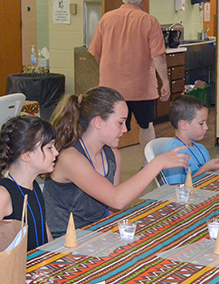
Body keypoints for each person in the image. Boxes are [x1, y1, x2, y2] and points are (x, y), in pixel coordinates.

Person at [44, 87, 189, 238]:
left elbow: (114, 209)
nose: (125, 129)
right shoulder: (69, 158)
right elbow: (117, 199)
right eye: (120, 123)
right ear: (98, 122)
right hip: (66, 243)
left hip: (98, 234)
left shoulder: (112, 155)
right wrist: (157, 163)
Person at [88, 0, 169, 162]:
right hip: (142, 88)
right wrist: (165, 81)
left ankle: (105, 165)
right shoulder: (149, 21)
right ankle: (148, 164)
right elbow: (158, 57)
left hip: (111, 89)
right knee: (146, 126)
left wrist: (108, 69)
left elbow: (96, 54)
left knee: (108, 127)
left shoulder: (106, 19)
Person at [0, 116, 58, 250]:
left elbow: (43, 231)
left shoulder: (34, 186)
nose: (56, 152)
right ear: (26, 155)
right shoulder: (4, 194)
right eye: (49, 148)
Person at [162, 96, 219, 185]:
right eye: (201, 123)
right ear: (183, 125)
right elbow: (174, 190)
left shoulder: (201, 148)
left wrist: (214, 167)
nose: (206, 127)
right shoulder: (174, 154)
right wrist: (204, 169)